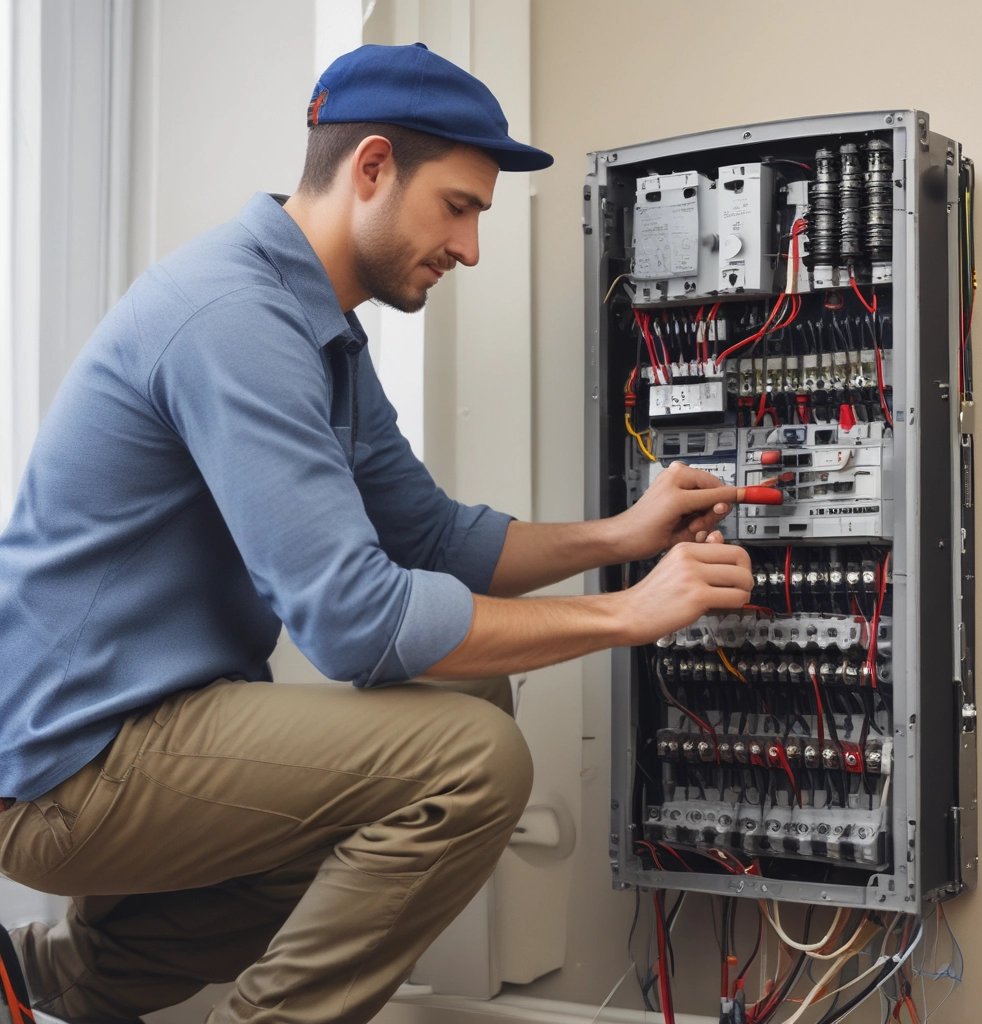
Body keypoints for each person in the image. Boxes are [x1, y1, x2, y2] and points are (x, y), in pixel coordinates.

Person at [0, 42, 752, 1024]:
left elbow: (434, 541)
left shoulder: (317, 331)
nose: (470, 248)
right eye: (458, 207)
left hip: (147, 734)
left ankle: (42, 980)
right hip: (69, 772)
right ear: (371, 167)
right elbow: (357, 623)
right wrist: (627, 615)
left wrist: (624, 534)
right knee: (471, 762)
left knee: (469, 691)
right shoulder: (234, 317)